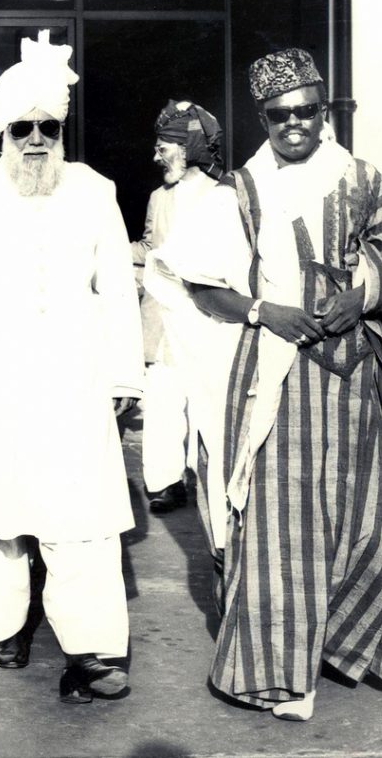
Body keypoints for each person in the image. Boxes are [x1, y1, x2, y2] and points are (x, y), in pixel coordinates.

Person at [155, 48, 382, 721]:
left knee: (359, 516)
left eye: (307, 111)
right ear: (264, 118)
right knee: (279, 525)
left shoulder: (362, 179)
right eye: (280, 116)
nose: (294, 124)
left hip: (356, 372)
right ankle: (277, 675)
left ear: (324, 111)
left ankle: (338, 641)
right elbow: (198, 281)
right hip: (275, 378)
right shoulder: (239, 192)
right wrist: (264, 310)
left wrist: (361, 294)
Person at [0, 31, 143, 704]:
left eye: (48, 127)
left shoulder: (93, 191)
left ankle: (95, 650)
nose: (36, 140)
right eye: (22, 129)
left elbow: (117, 290)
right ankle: (7, 625)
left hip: (74, 379)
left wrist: (124, 376)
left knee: (83, 516)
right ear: (1, 131)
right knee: (1, 515)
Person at [131, 100, 224, 514]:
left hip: (211, 317)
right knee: (164, 398)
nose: (156, 156)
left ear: (189, 147)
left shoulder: (227, 195)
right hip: (163, 318)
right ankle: (167, 483)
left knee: (211, 401)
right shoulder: (158, 198)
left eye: (163, 147)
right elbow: (149, 248)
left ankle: (214, 478)